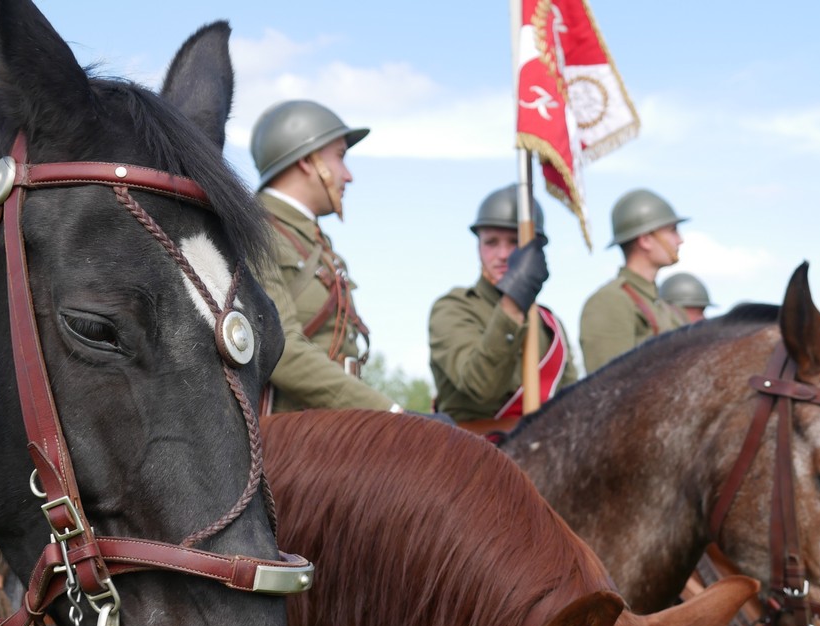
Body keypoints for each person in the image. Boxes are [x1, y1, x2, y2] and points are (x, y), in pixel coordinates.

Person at [249, 99, 400, 413]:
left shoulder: (309, 238)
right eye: (340, 158)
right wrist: (389, 414)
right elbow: (282, 349)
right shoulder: (256, 230)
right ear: (308, 160)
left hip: (328, 424)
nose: (348, 175)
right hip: (289, 439)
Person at [428, 185, 578, 432]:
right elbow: (479, 386)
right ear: (478, 247)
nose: (503, 254)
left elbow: (570, 404)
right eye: (491, 242)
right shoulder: (453, 308)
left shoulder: (549, 324)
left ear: (536, 251)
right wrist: (513, 303)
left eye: (515, 242)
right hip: (471, 456)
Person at [579, 188, 690, 374]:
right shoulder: (611, 302)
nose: (680, 240)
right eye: (672, 231)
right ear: (646, 239)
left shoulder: (665, 308)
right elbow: (609, 388)